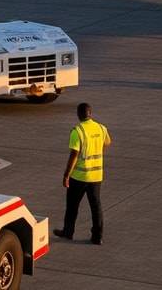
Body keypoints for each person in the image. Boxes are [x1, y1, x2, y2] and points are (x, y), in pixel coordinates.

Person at [53, 101, 110, 245]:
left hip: (79, 176)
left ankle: (68, 231)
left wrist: (66, 174)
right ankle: (98, 236)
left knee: (72, 206)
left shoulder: (77, 131)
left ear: (78, 114)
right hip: (96, 175)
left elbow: (74, 154)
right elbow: (107, 142)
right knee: (96, 205)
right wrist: (100, 155)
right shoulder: (101, 128)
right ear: (90, 114)